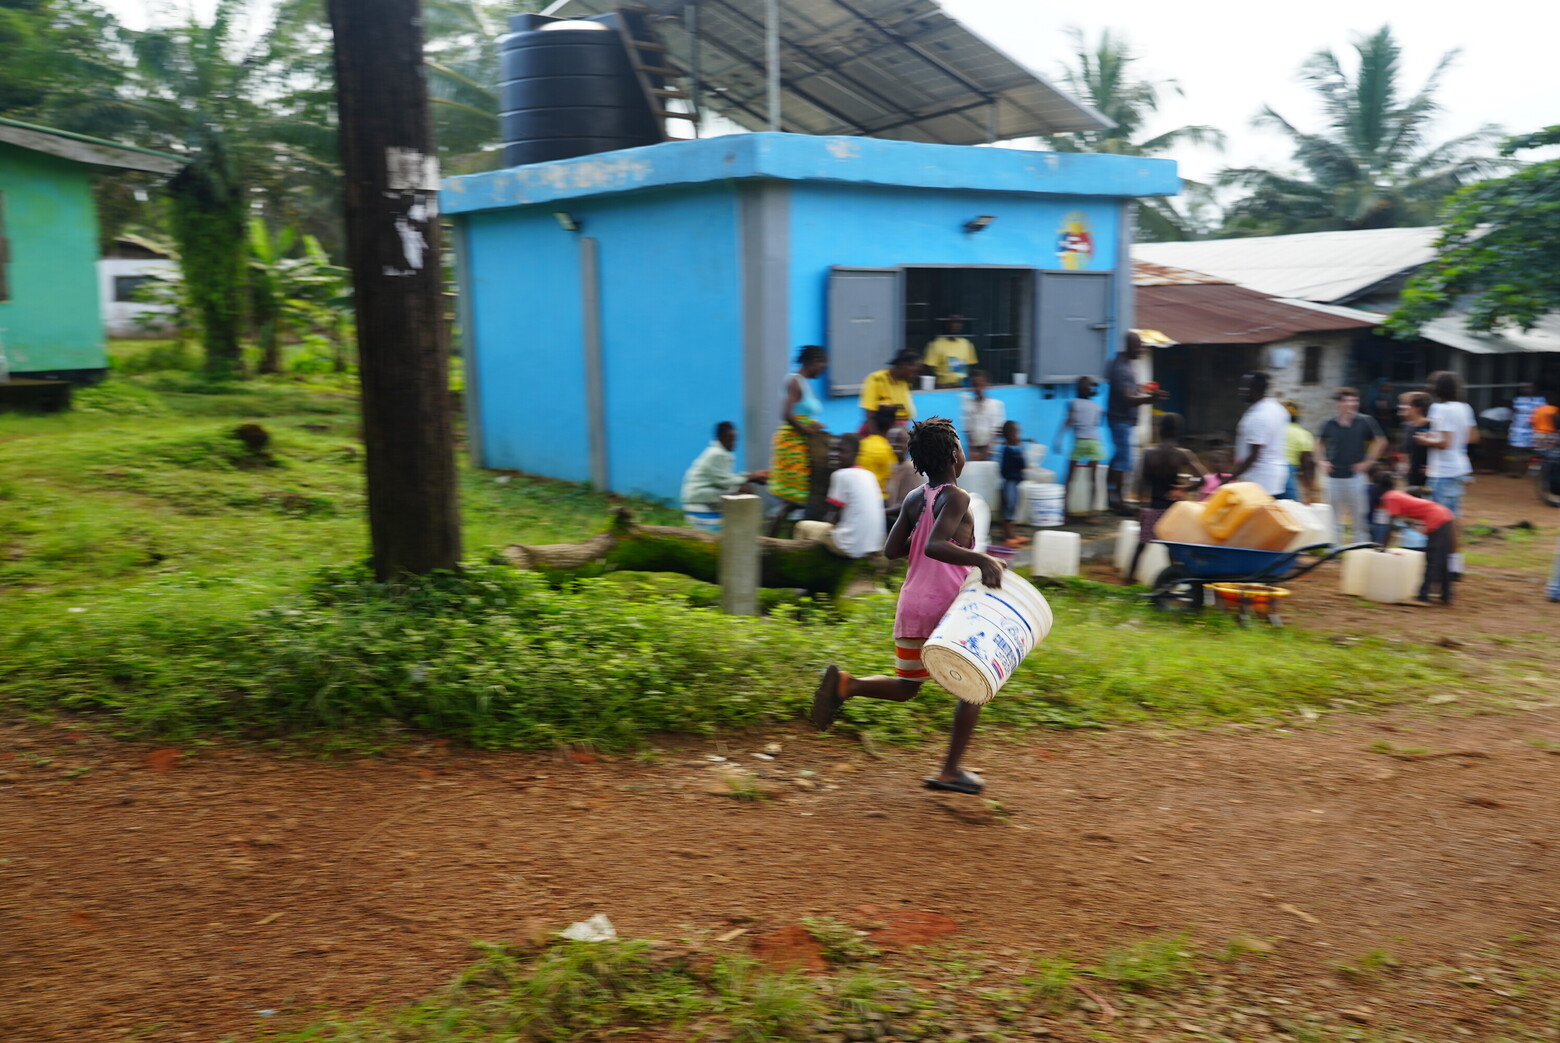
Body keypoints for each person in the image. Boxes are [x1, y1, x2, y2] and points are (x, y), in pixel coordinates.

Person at [810, 417, 1007, 795]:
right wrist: (982, 560)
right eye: (961, 447)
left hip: (911, 604)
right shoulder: (957, 497)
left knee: (907, 686)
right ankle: (950, 770)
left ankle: (847, 686)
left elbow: (892, 550)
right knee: (973, 685)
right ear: (954, 454)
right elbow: (935, 545)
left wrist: (922, 532)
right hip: (944, 608)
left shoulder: (917, 498)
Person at [1126, 412, 1206, 585]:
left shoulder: (1149, 454)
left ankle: (1129, 579)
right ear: (1178, 432)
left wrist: (1139, 507)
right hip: (1173, 511)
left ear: (1160, 430)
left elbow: (1142, 483)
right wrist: (1184, 488)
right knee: (1173, 550)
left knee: (1141, 547)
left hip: (1154, 507)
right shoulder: (1183, 454)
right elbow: (1203, 478)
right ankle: (1175, 583)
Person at [769, 345, 830, 535]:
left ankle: (782, 533)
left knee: (798, 497)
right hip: (794, 444)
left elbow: (801, 413)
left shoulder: (803, 382)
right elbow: (787, 414)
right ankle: (772, 532)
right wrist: (808, 431)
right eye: (821, 364)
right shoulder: (795, 381)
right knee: (794, 497)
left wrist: (814, 425)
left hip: (802, 441)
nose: (822, 369)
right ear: (812, 362)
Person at [794, 434, 887, 558]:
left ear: (855, 454)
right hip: (874, 545)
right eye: (833, 450)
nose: (835, 454)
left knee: (801, 527)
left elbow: (832, 516)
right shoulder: (869, 475)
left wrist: (824, 531)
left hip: (849, 546)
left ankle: (801, 567)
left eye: (841, 451)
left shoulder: (840, 475)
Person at [1316, 387, 1387, 542]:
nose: (1352, 404)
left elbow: (1381, 441)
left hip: (1355, 476)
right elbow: (1318, 442)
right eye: (1348, 400)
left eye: (1355, 400)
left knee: (1359, 516)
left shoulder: (1365, 421)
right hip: (1333, 476)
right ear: (1338, 403)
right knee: (1333, 516)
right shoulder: (1329, 423)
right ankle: (1335, 549)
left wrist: (1368, 462)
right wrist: (1321, 461)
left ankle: (1359, 548)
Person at [1105, 331, 1164, 516]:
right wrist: (1148, 399)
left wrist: (1144, 389)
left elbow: (1130, 390)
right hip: (1120, 420)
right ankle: (1118, 502)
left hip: (1123, 420)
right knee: (1124, 461)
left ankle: (1113, 497)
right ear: (1130, 347)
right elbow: (1128, 398)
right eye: (1139, 347)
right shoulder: (1121, 368)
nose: (1142, 351)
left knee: (1119, 459)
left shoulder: (1127, 364)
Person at [1377, 480, 1457, 606]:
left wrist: (1383, 546)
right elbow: (1406, 518)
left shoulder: (1390, 497)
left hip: (1437, 518)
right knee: (1441, 559)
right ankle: (1446, 594)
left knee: (1433, 560)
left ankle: (1423, 595)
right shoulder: (1396, 495)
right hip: (1442, 514)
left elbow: (1390, 526)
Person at [1416, 370, 1477, 518]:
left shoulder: (1439, 408)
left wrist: (1424, 440)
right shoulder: (1465, 408)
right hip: (1460, 469)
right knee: (1452, 518)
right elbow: (1473, 437)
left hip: (1442, 471)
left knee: (1437, 519)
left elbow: (1444, 443)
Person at [681, 421, 760, 527]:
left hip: (700, 495)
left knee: (743, 489)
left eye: (734, 440)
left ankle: (742, 524)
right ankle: (746, 525)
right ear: (721, 438)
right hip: (699, 497)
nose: (733, 443)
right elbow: (724, 482)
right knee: (745, 490)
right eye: (730, 440)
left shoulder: (718, 452)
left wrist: (751, 477)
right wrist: (752, 477)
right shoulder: (717, 454)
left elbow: (725, 479)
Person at [1228, 371, 1291, 496]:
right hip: (1274, 474)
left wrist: (1230, 478)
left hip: (1259, 478)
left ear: (1254, 389)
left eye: (1244, 387)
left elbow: (1253, 456)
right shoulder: (1276, 408)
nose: (1241, 390)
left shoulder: (1259, 416)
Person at [1055, 375, 1104, 518]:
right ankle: (1094, 513)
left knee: (1070, 477)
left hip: (1080, 442)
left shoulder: (1073, 403)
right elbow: (1095, 424)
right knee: (1093, 478)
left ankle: (1065, 511)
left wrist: (1059, 439)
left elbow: (1069, 421)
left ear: (1076, 389)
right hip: (1094, 443)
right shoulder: (1097, 407)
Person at [858, 350, 920, 428]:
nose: (914, 375)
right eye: (913, 371)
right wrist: (877, 436)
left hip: (902, 426)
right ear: (903, 365)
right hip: (882, 427)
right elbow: (870, 412)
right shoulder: (877, 379)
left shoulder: (903, 381)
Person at [961, 369, 1006, 461]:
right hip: (975, 450)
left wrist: (988, 450)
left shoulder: (995, 405)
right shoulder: (968, 405)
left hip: (990, 451)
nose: (976, 389)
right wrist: (972, 450)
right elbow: (968, 429)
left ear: (986, 385)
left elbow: (997, 431)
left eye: (978, 385)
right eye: (973, 386)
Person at [856, 406, 899, 499]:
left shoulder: (862, 443)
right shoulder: (889, 450)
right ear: (892, 425)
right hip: (880, 499)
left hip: (860, 495)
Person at [924, 315, 977, 388]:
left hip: (963, 389)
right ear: (945, 323)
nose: (954, 325)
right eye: (951, 321)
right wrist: (943, 386)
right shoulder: (935, 344)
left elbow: (971, 368)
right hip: (943, 390)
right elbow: (927, 371)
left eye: (958, 322)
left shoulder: (967, 344)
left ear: (962, 324)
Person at [997, 420, 1026, 545]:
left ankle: (1012, 535)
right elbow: (1020, 464)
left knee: (1012, 509)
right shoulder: (1008, 450)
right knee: (1008, 509)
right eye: (1015, 433)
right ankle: (1007, 537)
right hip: (1009, 483)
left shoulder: (1013, 449)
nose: (1017, 436)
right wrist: (1020, 452)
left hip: (1014, 482)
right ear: (1009, 435)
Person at [1281, 400, 1316, 502]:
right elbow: (1307, 462)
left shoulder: (1275, 431)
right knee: (1292, 511)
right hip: (1288, 472)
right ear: (1298, 417)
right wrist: (1309, 487)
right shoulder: (1303, 434)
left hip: (1270, 471)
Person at [1398, 391, 1432, 487]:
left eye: (1406, 404)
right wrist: (1405, 465)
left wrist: (1434, 468)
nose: (1401, 407)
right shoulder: (1406, 426)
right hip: (1411, 479)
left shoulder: (1432, 425)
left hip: (1428, 480)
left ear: (1418, 408)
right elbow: (1407, 450)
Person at [884, 425, 919, 514]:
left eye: (899, 441)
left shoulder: (910, 468)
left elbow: (908, 504)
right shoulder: (894, 466)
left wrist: (882, 513)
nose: (894, 444)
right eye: (891, 440)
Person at [1510, 383, 1546, 468]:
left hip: (1535, 427)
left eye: (1530, 388)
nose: (1527, 390)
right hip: (1519, 427)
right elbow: (1514, 412)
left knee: (1535, 448)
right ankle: (1517, 468)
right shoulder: (1517, 399)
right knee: (1517, 448)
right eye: (1525, 388)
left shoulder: (1541, 400)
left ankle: (1532, 468)